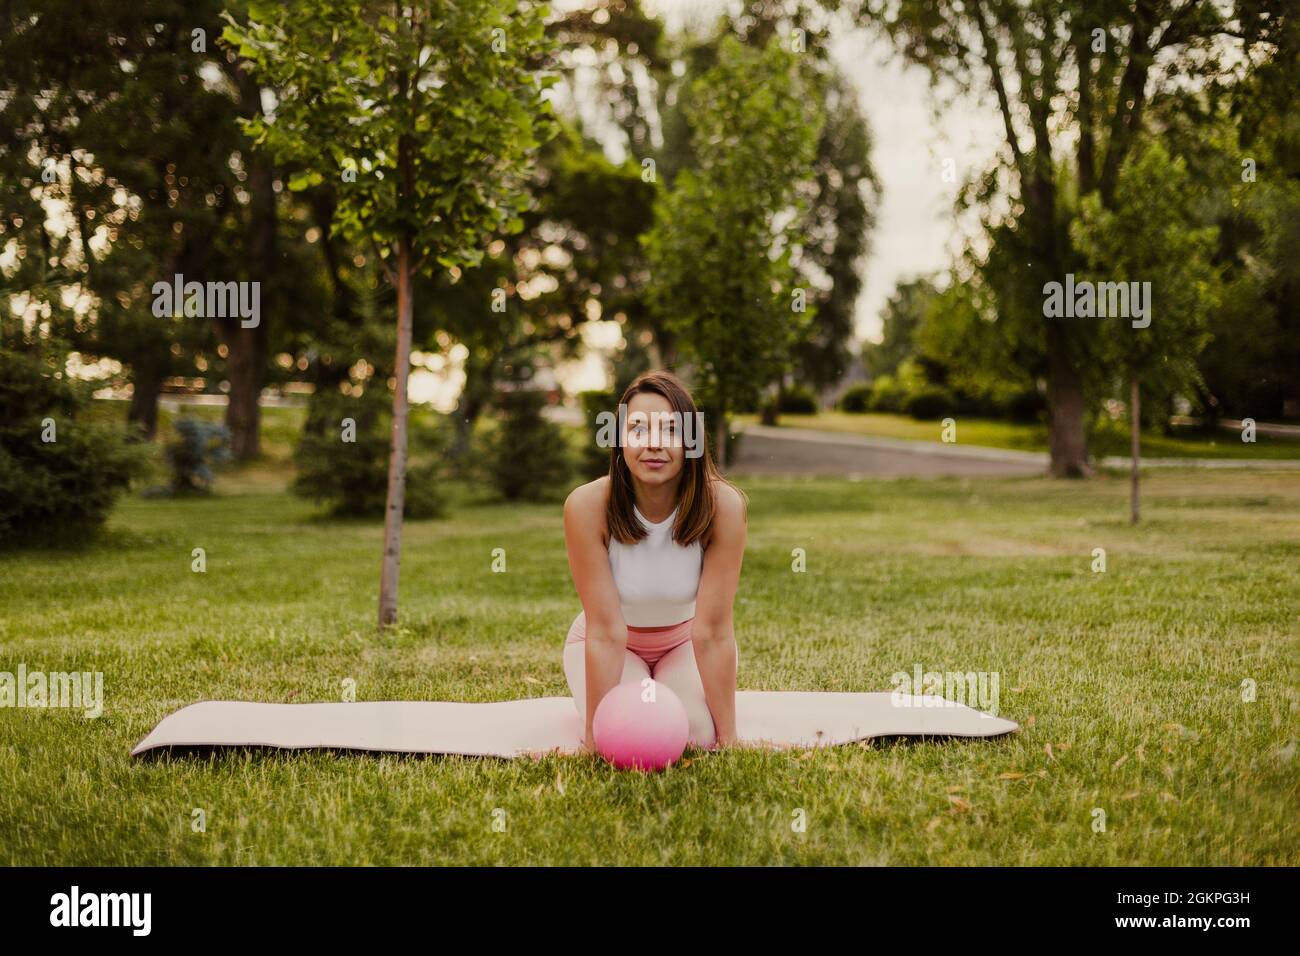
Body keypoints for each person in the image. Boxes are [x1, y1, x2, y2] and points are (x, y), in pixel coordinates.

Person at [562, 370, 748, 752]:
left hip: (682, 642)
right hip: (610, 641)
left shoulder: (724, 506)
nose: (654, 444)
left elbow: (712, 632)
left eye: (669, 430)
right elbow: (606, 633)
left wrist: (729, 739)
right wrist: (596, 740)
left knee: (694, 737)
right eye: (638, 429)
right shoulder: (586, 506)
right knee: (631, 734)